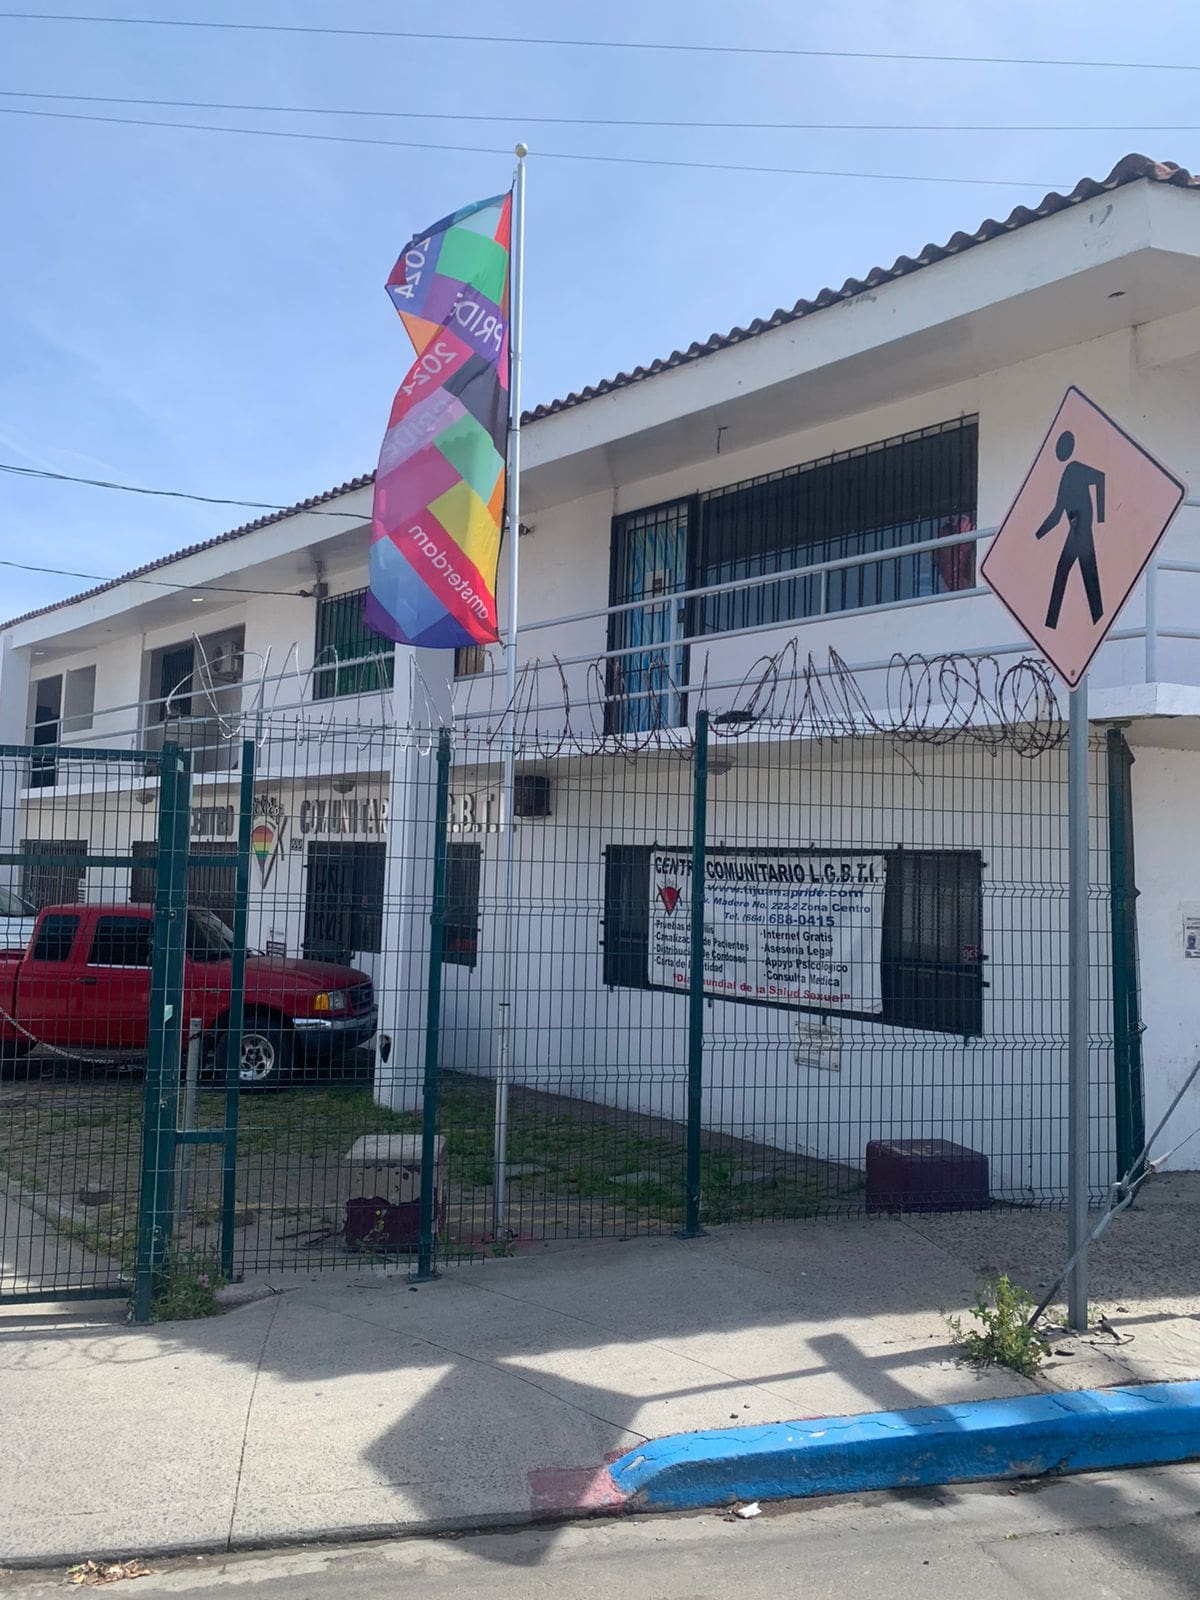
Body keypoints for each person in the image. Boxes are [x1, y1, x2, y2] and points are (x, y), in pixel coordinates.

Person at [1034, 430, 1106, 629]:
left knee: (1074, 574)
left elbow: (1100, 477)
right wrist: (1036, 536)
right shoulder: (1065, 477)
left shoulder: (1074, 469)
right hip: (1075, 533)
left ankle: (1053, 623)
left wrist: (1101, 518)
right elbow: (1057, 514)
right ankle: (1055, 623)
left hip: (1082, 531)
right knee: (1081, 575)